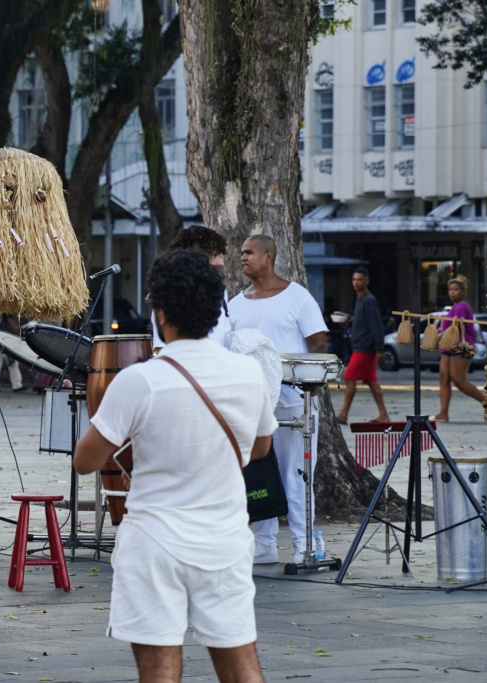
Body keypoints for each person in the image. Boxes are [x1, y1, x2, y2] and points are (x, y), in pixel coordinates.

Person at [74, 250, 276, 683]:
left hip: (153, 543)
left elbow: (84, 461)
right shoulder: (247, 373)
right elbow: (260, 449)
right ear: (213, 309)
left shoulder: (139, 380)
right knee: (241, 667)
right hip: (224, 542)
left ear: (161, 313)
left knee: (160, 672)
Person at [227, 234, 329, 565]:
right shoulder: (235, 304)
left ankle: (305, 542)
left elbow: (318, 344)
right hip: (253, 405)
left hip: (294, 401)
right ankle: (264, 541)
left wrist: (307, 382)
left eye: (249, 252)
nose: (242, 258)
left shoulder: (298, 298)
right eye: (241, 253)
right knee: (259, 473)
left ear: (268, 256)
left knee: (296, 474)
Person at [151, 225, 231, 349]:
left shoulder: (219, 290)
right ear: (197, 255)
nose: (221, 262)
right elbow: (161, 348)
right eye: (215, 255)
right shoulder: (171, 293)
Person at [335, 267, 389, 424]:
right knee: (372, 381)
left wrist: (379, 348)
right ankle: (384, 415)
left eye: (359, 279)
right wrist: (348, 322)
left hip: (365, 348)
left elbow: (376, 326)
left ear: (366, 281)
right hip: (361, 346)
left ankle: (344, 413)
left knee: (349, 376)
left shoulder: (369, 300)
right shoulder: (359, 300)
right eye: (354, 279)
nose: (356, 282)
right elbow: (362, 323)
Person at [433, 274, 484, 423]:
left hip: (461, 347)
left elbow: (455, 328)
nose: (452, 292)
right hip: (448, 348)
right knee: (444, 379)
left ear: (463, 292)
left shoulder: (462, 306)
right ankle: (443, 413)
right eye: (450, 289)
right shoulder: (453, 308)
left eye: (456, 290)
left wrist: (440, 336)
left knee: (459, 381)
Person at [0, 314, 24, 391]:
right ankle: (17, 385)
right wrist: (18, 335)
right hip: (6, 340)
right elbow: (11, 322)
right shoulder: (7, 311)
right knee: (13, 363)